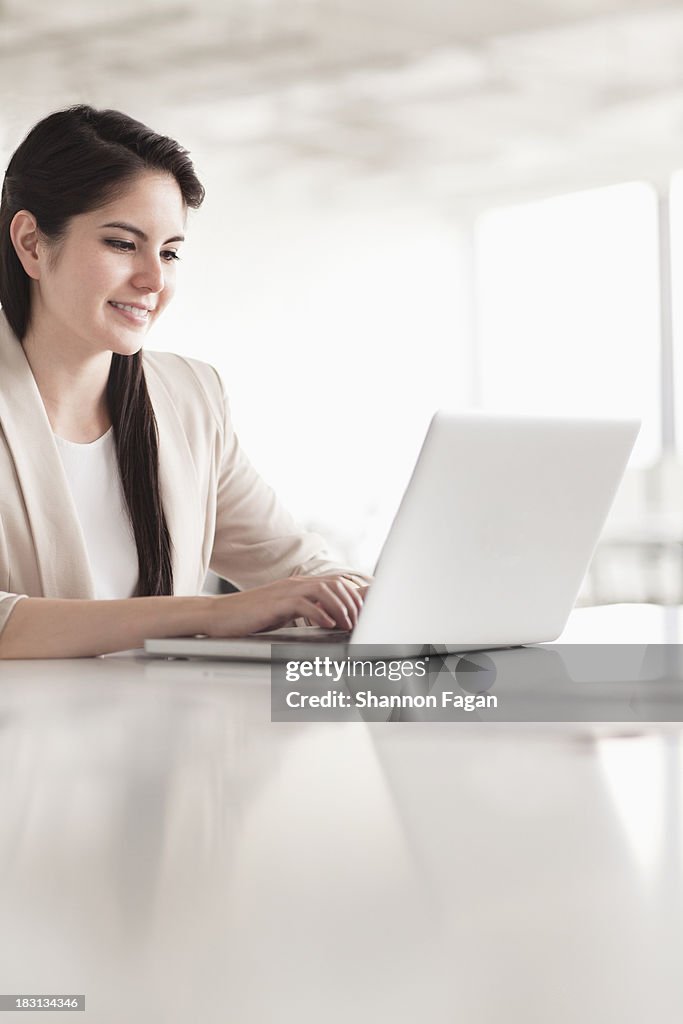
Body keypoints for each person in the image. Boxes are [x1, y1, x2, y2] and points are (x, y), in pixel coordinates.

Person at [0, 105, 370, 659]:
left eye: (169, 252)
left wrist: (384, 603)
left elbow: (297, 565)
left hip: (165, 735)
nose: (153, 279)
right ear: (31, 242)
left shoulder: (190, 397)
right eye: (122, 244)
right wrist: (208, 614)